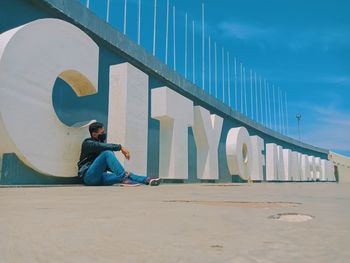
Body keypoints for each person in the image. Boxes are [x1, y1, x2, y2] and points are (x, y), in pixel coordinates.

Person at [77, 122, 161, 186]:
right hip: (88, 177)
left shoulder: (100, 147)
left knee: (127, 174)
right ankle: (123, 178)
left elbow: (106, 166)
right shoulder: (88, 143)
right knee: (107, 153)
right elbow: (101, 146)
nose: (104, 134)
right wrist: (120, 147)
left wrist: (121, 171)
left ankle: (148, 180)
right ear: (94, 134)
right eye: (102, 133)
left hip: (100, 177)